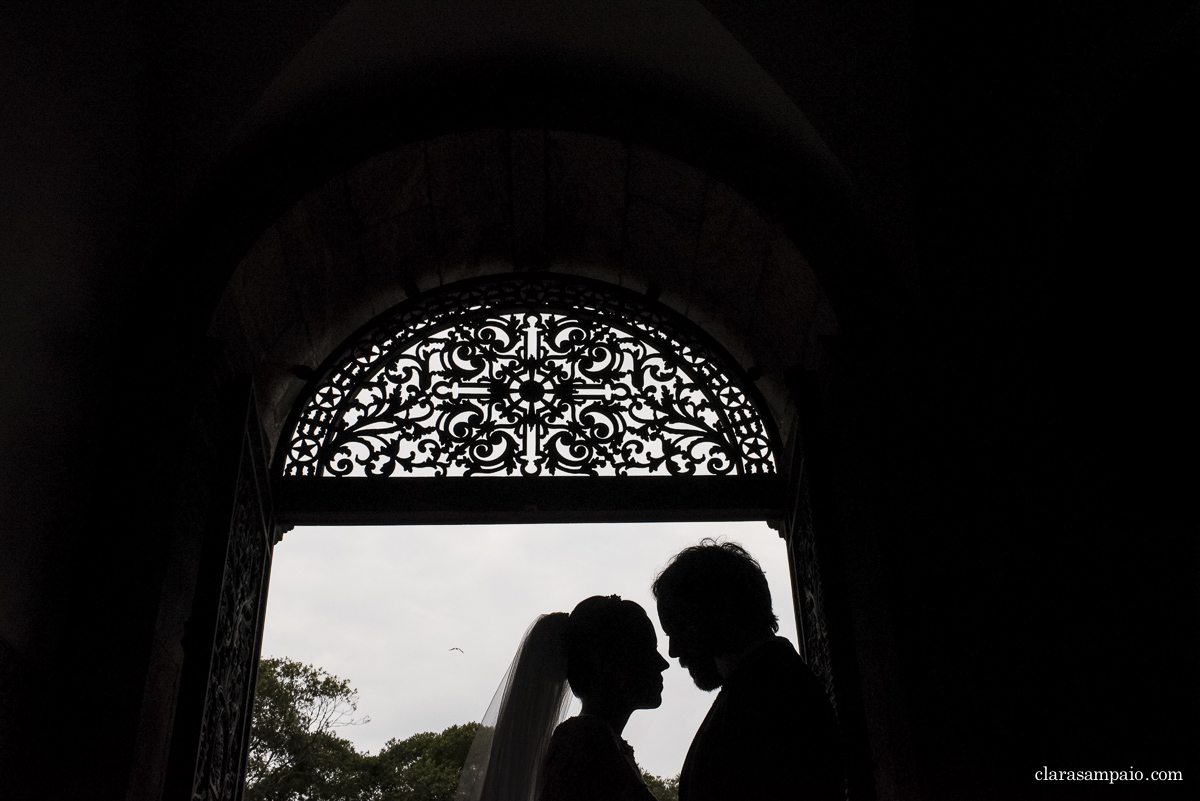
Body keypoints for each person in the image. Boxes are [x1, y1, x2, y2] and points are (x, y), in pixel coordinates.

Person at [653, 539, 843, 801]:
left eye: (678, 629)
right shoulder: (772, 686)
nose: (674, 650)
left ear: (715, 612)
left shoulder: (766, 698)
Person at [455, 595, 669, 801]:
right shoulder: (587, 742)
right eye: (647, 649)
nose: (663, 663)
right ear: (607, 663)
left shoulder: (600, 742)